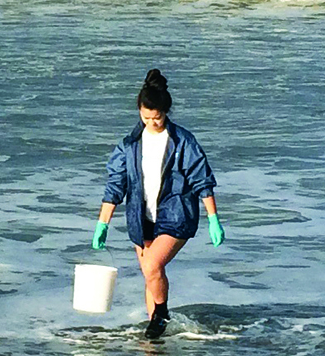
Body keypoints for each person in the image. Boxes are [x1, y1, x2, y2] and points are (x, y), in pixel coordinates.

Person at [92, 69, 225, 339]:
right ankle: (154, 338)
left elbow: (202, 180)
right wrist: (102, 224)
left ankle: (161, 314)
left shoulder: (183, 141)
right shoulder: (129, 144)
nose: (152, 123)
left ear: (166, 112)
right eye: (146, 117)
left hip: (176, 215)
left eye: (158, 117)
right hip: (142, 218)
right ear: (140, 112)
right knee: (150, 275)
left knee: (152, 266)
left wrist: (213, 219)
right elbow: (115, 186)